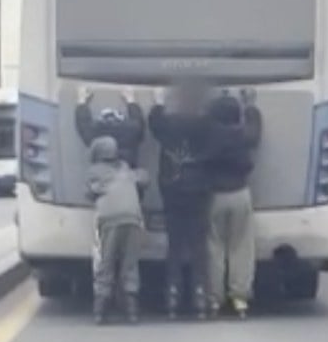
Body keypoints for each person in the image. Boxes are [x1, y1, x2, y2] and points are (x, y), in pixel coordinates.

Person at [148, 80, 214, 319]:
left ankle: (172, 296)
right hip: (198, 191)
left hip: (172, 191)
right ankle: (199, 296)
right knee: (198, 245)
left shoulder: (169, 125)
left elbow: (153, 122)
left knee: (175, 245)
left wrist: (158, 102)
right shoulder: (205, 125)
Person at [204, 88, 263, 319]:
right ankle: (239, 298)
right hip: (240, 193)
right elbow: (255, 131)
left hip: (214, 196)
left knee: (214, 247)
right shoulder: (242, 135)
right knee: (241, 247)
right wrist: (250, 106)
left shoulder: (208, 137)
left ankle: (214, 299)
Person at [86, 135, 149, 325]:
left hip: (109, 221)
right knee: (130, 264)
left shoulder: (93, 171)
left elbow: (89, 193)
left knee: (106, 263)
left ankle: (100, 311)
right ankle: (132, 310)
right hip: (133, 218)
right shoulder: (125, 169)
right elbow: (145, 178)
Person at [75, 87, 145, 167]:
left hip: (104, 176)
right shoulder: (131, 132)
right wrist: (131, 100)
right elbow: (138, 122)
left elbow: (83, 124)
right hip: (126, 174)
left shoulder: (94, 136)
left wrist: (81, 101)